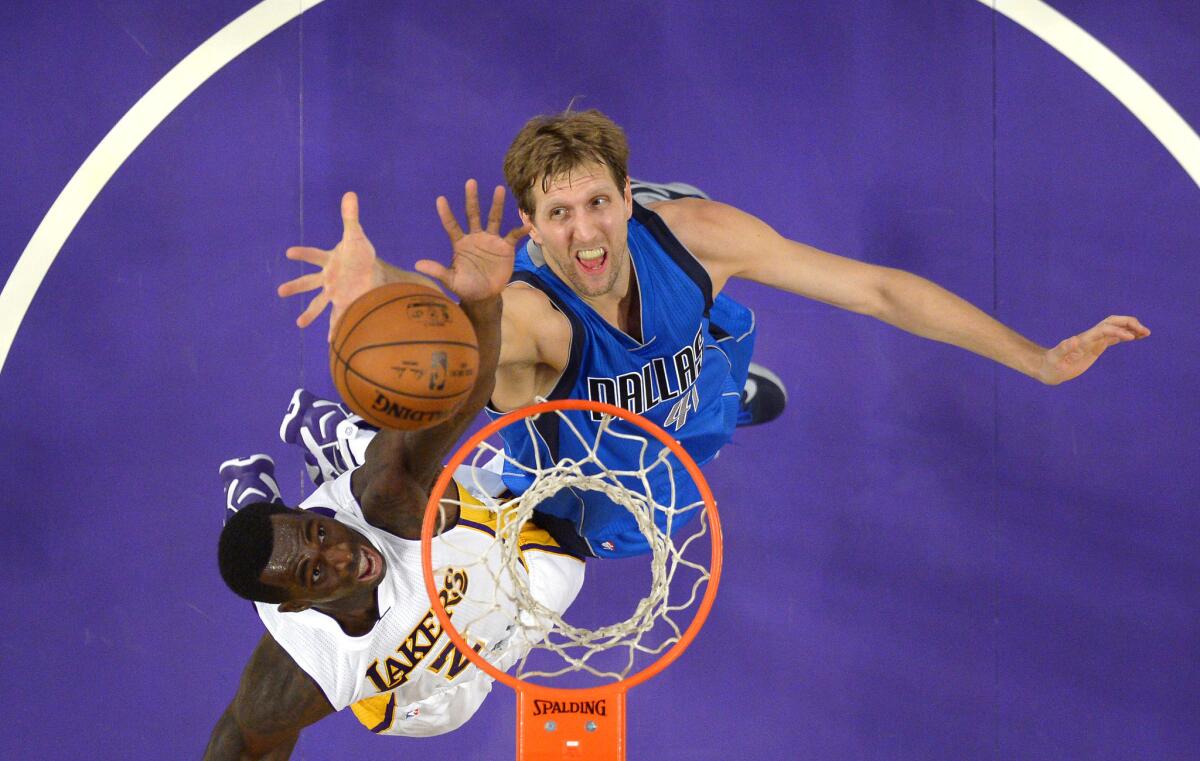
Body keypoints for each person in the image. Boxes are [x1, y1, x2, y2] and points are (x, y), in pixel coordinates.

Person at [277, 109, 1149, 559]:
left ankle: (724, 387)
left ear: (628, 198)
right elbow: (441, 343)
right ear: (533, 230)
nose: (583, 231)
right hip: (588, 451)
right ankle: (347, 443)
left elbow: (880, 291)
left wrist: (1037, 359)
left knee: (709, 385)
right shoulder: (536, 316)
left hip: (690, 376)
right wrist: (378, 283)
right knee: (553, 523)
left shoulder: (699, 234)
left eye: (595, 203)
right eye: (557, 214)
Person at [205, 193, 585, 759]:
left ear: (316, 516)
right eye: (314, 575)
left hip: (482, 551)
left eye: (320, 533)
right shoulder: (297, 678)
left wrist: (481, 305)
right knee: (451, 702)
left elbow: (464, 398)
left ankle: (332, 435)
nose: (340, 557)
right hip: (422, 700)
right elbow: (245, 747)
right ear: (296, 607)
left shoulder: (389, 498)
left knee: (412, 458)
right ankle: (257, 490)